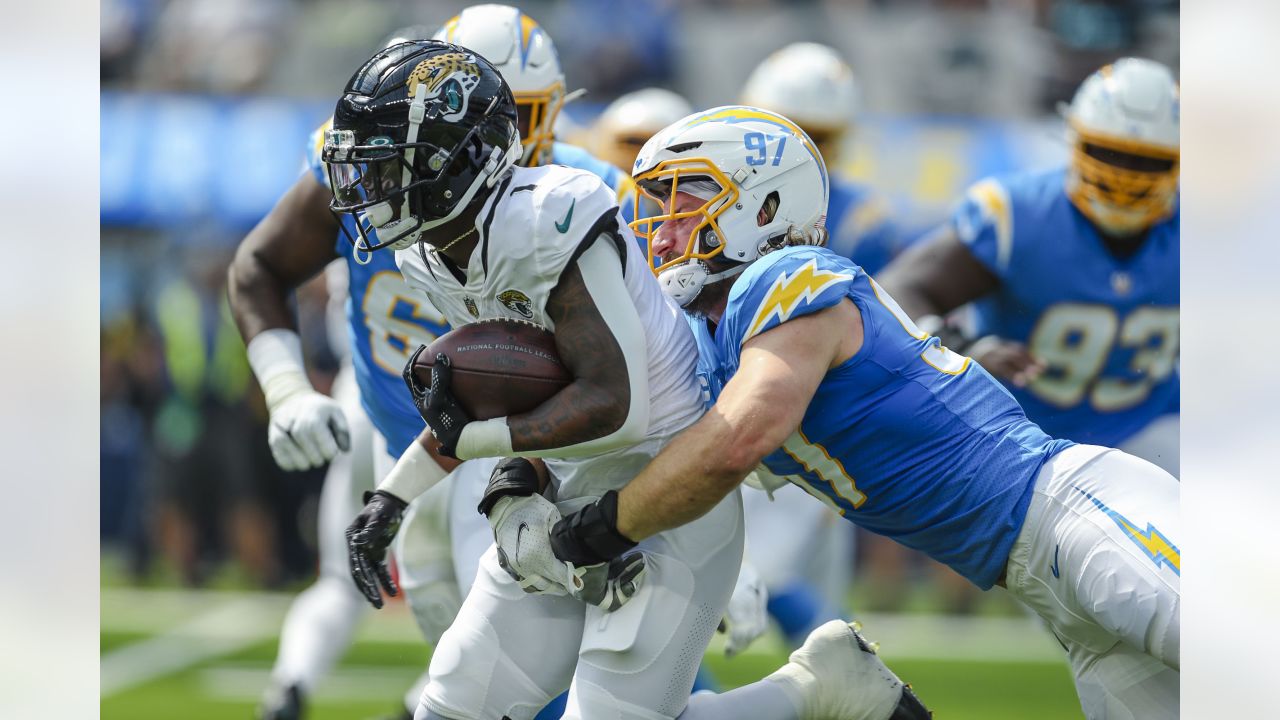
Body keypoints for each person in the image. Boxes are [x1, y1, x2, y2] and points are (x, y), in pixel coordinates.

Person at [524, 105, 1179, 719]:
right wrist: (526, 468)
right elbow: (633, 431)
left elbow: (736, 441)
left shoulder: (784, 276)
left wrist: (601, 528)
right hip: (1042, 581)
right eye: (658, 210)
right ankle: (817, 687)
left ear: (765, 205)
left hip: (1074, 514)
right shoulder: (711, 339)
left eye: (689, 208)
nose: (662, 234)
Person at [335, 41, 927, 720]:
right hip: (560, 493)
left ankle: (814, 690)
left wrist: (477, 452)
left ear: (455, 160)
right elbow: (508, 396)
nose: (370, 188)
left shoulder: (547, 219)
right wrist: (406, 497)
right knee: (450, 705)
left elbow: (617, 408)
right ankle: (821, 684)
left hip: (665, 493)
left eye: (387, 166)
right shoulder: (431, 255)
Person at [877, 58, 1180, 476]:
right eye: (1107, 152)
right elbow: (900, 287)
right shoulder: (1020, 216)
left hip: (1146, 428)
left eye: (1148, 162)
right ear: (1074, 141)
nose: (1125, 176)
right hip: (1020, 431)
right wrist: (960, 347)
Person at [742, 42, 903, 275]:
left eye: (814, 137)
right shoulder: (710, 192)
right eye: (782, 134)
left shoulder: (860, 222)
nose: (794, 151)